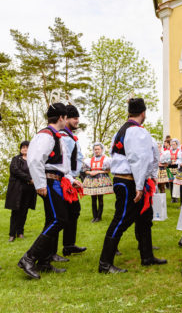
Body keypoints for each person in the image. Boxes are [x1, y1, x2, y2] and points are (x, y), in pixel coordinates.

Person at [98, 98, 166, 274]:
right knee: (121, 220)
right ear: (143, 113)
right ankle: (105, 263)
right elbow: (138, 159)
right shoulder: (137, 131)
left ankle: (147, 256)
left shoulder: (121, 131)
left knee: (144, 218)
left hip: (125, 179)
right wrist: (140, 185)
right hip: (130, 180)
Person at [18, 103, 81, 279]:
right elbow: (35, 160)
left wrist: (70, 180)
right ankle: (29, 258)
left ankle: (44, 262)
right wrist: (40, 184)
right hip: (49, 182)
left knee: (53, 220)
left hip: (56, 180)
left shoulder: (54, 136)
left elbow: (60, 165)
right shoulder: (46, 135)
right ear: (62, 118)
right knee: (58, 219)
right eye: (66, 117)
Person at [56, 105, 86, 258]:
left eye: (78, 118)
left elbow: (78, 158)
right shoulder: (64, 138)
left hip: (72, 178)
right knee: (60, 216)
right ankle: (54, 251)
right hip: (66, 180)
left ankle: (69, 245)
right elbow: (65, 161)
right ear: (66, 118)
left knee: (73, 211)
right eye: (75, 118)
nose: (77, 121)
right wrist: (71, 179)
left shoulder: (71, 137)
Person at [5, 141, 37, 242]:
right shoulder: (16, 159)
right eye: (23, 147)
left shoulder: (33, 160)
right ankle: (12, 234)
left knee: (24, 212)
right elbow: (15, 170)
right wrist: (29, 179)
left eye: (26, 147)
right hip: (17, 190)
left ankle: (20, 232)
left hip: (29, 190)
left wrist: (33, 179)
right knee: (15, 212)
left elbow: (36, 171)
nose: (24, 149)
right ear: (20, 149)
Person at [82, 142, 113, 222]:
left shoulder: (106, 159)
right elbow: (85, 171)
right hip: (92, 180)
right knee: (93, 199)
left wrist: (98, 172)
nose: (96, 151)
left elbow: (108, 171)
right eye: (95, 149)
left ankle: (99, 216)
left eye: (98, 149)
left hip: (101, 180)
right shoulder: (90, 160)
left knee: (100, 199)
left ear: (102, 149)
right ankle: (94, 216)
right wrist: (90, 172)